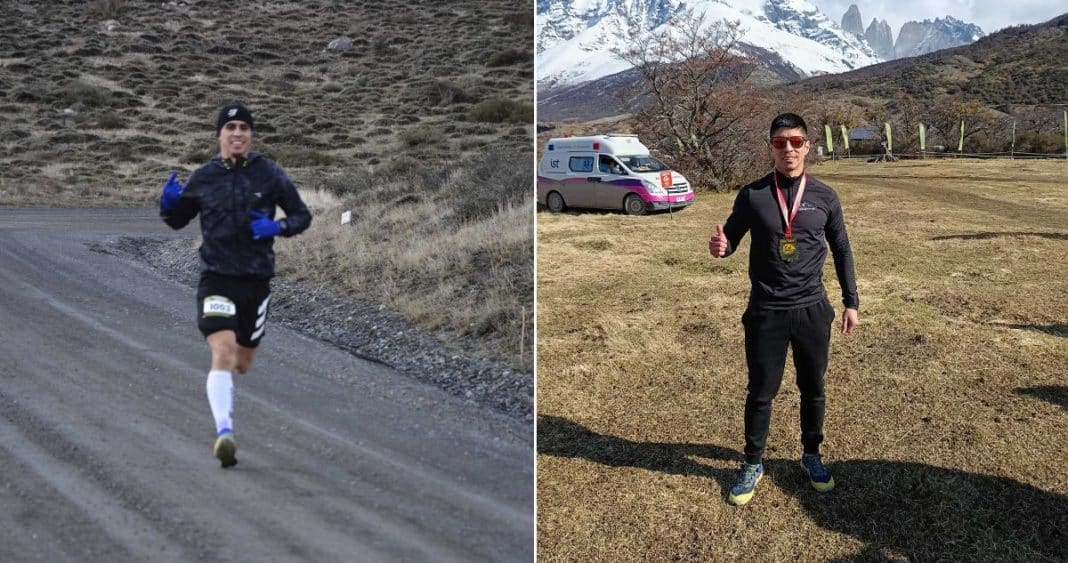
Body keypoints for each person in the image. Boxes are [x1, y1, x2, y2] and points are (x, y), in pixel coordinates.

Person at [708, 112, 859, 506]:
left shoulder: (825, 196)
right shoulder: (753, 194)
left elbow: (842, 249)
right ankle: (752, 462)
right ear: (770, 147)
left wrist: (851, 302)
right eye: (779, 143)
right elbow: (732, 239)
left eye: (795, 141)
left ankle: (811, 455)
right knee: (761, 391)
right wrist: (722, 249)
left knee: (813, 387)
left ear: (808, 145)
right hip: (766, 311)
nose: (788, 149)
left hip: (812, 309)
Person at [160, 102, 312, 468]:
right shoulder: (204, 177)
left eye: (244, 127)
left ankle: (225, 422)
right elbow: (177, 221)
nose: (238, 133)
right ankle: (224, 433)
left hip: (256, 281)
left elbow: (301, 215)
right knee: (223, 353)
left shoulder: (270, 174)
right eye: (231, 128)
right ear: (220, 134)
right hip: (216, 277)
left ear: (251, 133)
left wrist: (280, 227)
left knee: (241, 362)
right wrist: (168, 205)